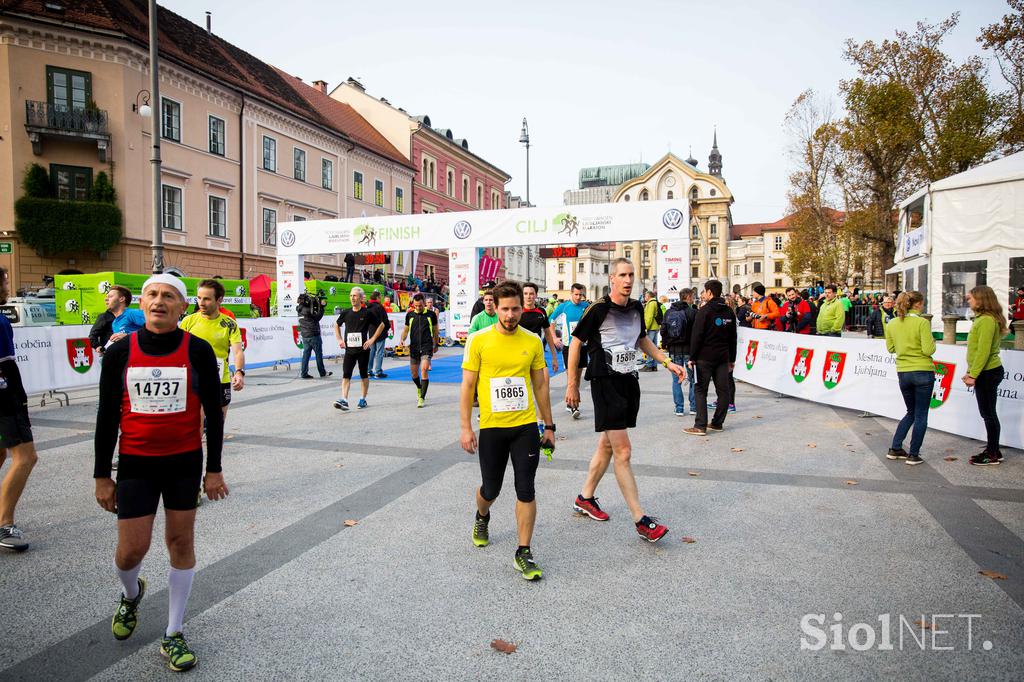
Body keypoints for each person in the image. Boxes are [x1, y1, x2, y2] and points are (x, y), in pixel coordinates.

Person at [94, 273, 226, 672]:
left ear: (181, 307)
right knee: (132, 549)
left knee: (180, 543)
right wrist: (102, 475)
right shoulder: (120, 352)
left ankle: (173, 632)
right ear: (143, 303)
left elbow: (214, 418)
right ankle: (130, 593)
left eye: (169, 296)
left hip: (184, 462)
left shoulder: (198, 350)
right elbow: (105, 418)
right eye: (152, 294)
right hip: (136, 462)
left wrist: (214, 469)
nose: (159, 301)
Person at [565, 258, 685, 543]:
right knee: (623, 451)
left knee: (607, 444)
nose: (628, 279)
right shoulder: (598, 309)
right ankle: (641, 520)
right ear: (612, 280)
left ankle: (585, 497)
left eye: (631, 274)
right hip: (605, 383)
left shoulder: (636, 307)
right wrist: (572, 385)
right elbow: (575, 343)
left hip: (629, 381)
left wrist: (668, 363)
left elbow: (642, 340)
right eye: (622, 275)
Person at [460, 281, 554, 581]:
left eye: (516, 309)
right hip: (491, 427)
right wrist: (465, 427)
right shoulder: (478, 340)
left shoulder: (532, 341)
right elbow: (467, 387)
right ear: (495, 308)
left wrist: (549, 425)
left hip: (524, 427)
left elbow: (540, 384)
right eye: (505, 309)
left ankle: (523, 551)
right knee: (491, 489)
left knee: (525, 489)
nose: (511, 315)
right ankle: (482, 515)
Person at [0, 267, 37, 551]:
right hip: (4, 392)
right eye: (5, 281)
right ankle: (4, 524)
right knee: (25, 457)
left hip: (7, 388)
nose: (7, 286)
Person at [179, 279, 246, 418]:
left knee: (217, 425)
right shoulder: (188, 321)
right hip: (194, 378)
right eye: (199, 298)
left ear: (219, 300)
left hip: (220, 378)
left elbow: (238, 351)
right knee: (197, 422)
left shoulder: (229, 324)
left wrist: (239, 372)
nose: (201, 303)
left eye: (207, 299)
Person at [883, 291, 935, 466]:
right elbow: (929, 350)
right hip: (922, 369)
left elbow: (890, 348)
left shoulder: (893, 323)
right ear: (918, 304)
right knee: (921, 414)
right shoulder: (922, 322)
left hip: (903, 371)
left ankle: (895, 447)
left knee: (910, 412)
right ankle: (913, 453)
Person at [684, 280, 738, 436]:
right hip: (723, 357)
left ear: (709, 292)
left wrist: (691, 357)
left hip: (704, 357)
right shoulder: (729, 312)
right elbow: (733, 338)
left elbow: (697, 336)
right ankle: (717, 423)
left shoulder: (705, 310)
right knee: (723, 390)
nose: (703, 294)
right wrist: (732, 359)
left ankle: (700, 425)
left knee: (700, 389)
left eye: (704, 292)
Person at [962, 286, 1008, 466]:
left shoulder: (987, 321)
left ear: (981, 299)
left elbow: (983, 351)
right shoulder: (983, 319)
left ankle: (992, 453)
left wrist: (973, 374)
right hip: (984, 371)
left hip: (988, 372)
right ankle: (994, 449)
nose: (969, 300)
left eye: (971, 298)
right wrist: (970, 371)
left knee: (988, 413)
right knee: (987, 412)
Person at [333, 287, 386, 411]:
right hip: (349, 351)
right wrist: (340, 339)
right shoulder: (346, 313)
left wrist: (372, 339)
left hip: (363, 350)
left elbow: (381, 325)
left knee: (364, 375)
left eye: (355, 296)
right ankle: (344, 400)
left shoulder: (367, 313)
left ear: (361, 298)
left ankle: (363, 398)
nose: (352, 298)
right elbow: (336, 324)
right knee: (346, 375)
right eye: (351, 296)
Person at [551, 283, 590, 419]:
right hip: (568, 346)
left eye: (580, 295)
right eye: (576, 294)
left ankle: (570, 402)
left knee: (577, 377)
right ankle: (574, 406)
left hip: (583, 346)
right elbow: (551, 321)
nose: (579, 297)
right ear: (571, 294)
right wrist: (555, 338)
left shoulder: (586, 306)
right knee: (570, 376)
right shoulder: (564, 307)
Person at [399, 293, 439, 408]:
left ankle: (421, 398)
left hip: (427, 346)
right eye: (416, 305)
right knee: (414, 374)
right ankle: (419, 387)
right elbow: (406, 330)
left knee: (424, 369)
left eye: (420, 305)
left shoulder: (431, 315)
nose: (418, 307)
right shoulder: (410, 315)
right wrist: (402, 339)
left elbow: (435, 331)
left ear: (424, 303)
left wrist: (436, 344)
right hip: (414, 347)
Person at [662, 290, 697, 416]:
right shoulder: (693, 312)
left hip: (674, 350)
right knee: (693, 379)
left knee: (676, 379)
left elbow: (663, 331)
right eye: (692, 297)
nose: (693, 299)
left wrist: (667, 345)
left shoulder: (669, 312)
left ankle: (679, 408)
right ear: (687, 297)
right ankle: (693, 407)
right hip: (689, 350)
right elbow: (697, 333)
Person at [519, 283, 560, 374]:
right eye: (525, 294)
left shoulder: (541, 311)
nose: (528, 296)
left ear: (536, 295)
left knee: (545, 382)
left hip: (536, 353)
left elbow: (548, 334)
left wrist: (554, 357)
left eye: (531, 294)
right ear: (522, 295)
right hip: (520, 354)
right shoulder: (517, 311)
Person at [296, 291, 332, 379]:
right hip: (313, 334)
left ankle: (304, 373)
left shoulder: (299, 309)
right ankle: (322, 372)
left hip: (305, 335)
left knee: (306, 355)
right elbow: (317, 317)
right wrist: (322, 307)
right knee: (318, 354)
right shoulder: (308, 310)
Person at [366, 290, 389, 379]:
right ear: (377, 298)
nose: (381, 299)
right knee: (379, 352)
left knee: (371, 352)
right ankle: (378, 371)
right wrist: (387, 327)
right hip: (380, 332)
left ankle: (368, 370)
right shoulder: (379, 307)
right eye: (380, 297)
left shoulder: (368, 307)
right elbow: (385, 320)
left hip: (371, 332)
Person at [640, 290, 663, 371]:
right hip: (655, 327)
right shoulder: (655, 302)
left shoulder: (651, 303)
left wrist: (645, 328)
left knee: (649, 347)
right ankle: (654, 365)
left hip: (651, 328)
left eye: (645, 296)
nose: (645, 297)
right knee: (654, 347)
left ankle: (649, 365)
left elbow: (649, 317)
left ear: (649, 296)